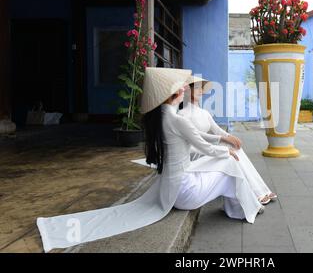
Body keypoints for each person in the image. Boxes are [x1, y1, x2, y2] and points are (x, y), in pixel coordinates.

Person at [36, 68, 263, 253]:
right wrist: (226, 151)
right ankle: (242, 209)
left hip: (172, 188)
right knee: (230, 164)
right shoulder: (178, 119)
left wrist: (223, 140)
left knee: (226, 161)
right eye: (180, 86)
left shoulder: (162, 116)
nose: (185, 88)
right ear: (172, 94)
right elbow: (204, 146)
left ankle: (242, 206)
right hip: (185, 193)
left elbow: (200, 137)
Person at [179, 75, 277, 205]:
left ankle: (260, 190)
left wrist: (230, 138)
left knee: (236, 149)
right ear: (187, 90)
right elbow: (193, 142)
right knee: (231, 153)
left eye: (201, 88)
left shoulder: (204, 113)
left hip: (208, 149)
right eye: (196, 88)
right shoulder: (181, 115)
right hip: (197, 154)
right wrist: (221, 146)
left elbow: (218, 131)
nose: (200, 91)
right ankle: (257, 192)